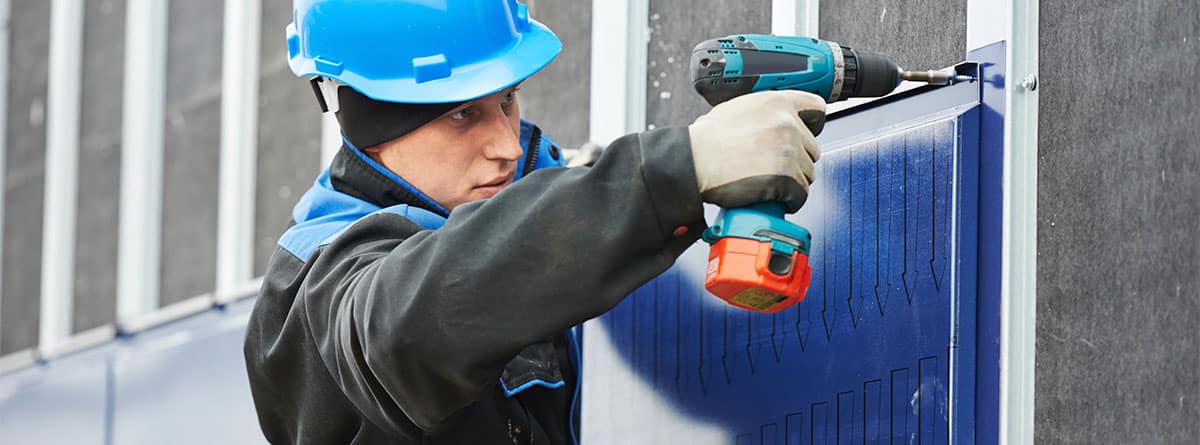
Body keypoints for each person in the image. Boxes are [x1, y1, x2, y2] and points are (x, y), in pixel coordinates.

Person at [243, 0, 824, 443]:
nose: (502, 142)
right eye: (463, 113)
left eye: (508, 99)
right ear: (372, 119)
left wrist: (591, 188)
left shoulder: (515, 193)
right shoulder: (317, 284)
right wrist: (673, 171)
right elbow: (411, 323)